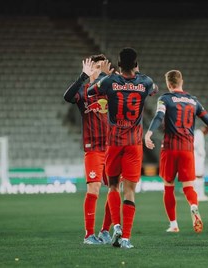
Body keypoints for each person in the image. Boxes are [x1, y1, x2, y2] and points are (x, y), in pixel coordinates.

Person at [87, 47, 158, 249]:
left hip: (114, 143)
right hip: (134, 144)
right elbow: (155, 89)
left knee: (112, 186)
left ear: (118, 66)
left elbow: (92, 91)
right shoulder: (145, 82)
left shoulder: (110, 81)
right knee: (130, 191)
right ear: (136, 65)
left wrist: (104, 78)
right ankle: (126, 238)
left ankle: (115, 225)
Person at [144, 70, 208, 233]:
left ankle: (174, 225)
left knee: (168, 186)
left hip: (170, 148)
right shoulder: (193, 100)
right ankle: (194, 206)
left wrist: (149, 132)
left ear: (168, 83)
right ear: (182, 81)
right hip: (187, 149)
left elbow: (159, 117)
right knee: (189, 186)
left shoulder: (165, 99)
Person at [63, 55, 113, 245]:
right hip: (94, 149)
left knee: (116, 188)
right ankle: (88, 235)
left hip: (112, 147)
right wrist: (82, 76)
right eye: (95, 67)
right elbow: (67, 97)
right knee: (94, 189)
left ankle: (105, 231)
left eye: (100, 67)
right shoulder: (83, 92)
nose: (97, 70)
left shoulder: (110, 90)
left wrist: (113, 78)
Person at [194, 125, 208, 202]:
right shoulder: (198, 133)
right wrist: (200, 153)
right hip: (197, 158)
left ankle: (200, 194)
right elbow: (194, 145)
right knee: (199, 176)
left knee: (199, 176)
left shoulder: (199, 133)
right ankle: (199, 195)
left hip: (198, 158)